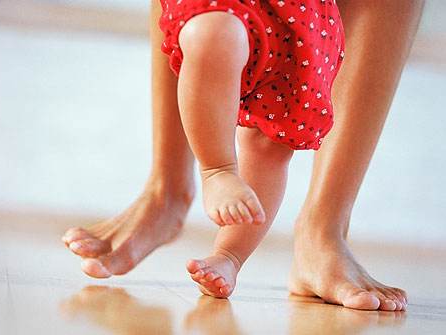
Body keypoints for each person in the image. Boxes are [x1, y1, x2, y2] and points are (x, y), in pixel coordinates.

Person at [62, 0, 424, 311]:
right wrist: (217, 169)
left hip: (304, 14)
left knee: (269, 145)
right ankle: (196, 178)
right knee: (210, 33)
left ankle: (234, 255)